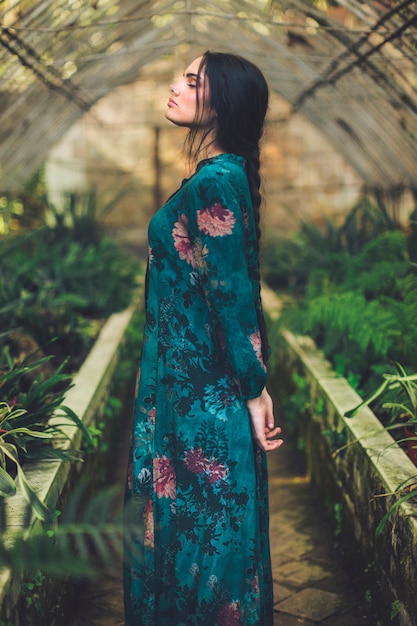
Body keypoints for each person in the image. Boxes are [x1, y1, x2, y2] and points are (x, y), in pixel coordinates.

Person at [124, 50, 283, 626]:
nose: (175, 86)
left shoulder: (216, 181)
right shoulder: (219, 176)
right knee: (199, 535)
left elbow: (233, 298)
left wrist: (254, 390)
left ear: (222, 102)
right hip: (188, 392)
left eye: (192, 81)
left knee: (203, 541)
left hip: (201, 401)